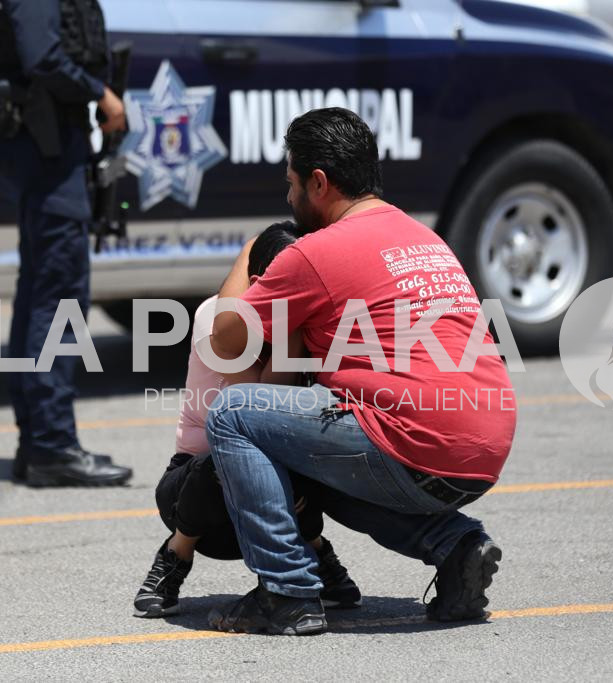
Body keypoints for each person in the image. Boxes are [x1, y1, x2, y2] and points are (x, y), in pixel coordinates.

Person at [205, 108, 516, 635]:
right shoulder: (421, 235)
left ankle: (286, 592)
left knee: (234, 414)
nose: (288, 199)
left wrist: (252, 252)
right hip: (483, 445)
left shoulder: (315, 253)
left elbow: (224, 339)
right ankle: (456, 546)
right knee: (314, 455)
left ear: (319, 183)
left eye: (291, 184)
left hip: (416, 441)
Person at [132, 222, 360, 618]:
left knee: (323, 447)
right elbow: (251, 413)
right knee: (225, 457)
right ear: (259, 282)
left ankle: (316, 553)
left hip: (274, 492)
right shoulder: (213, 318)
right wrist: (292, 333)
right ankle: (174, 555)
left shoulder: (305, 325)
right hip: (197, 496)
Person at [0, 0, 132, 486]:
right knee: (59, 297)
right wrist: (101, 94)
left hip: (42, 143)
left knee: (40, 294)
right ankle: (52, 444)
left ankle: (38, 440)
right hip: (46, 146)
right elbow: (41, 56)